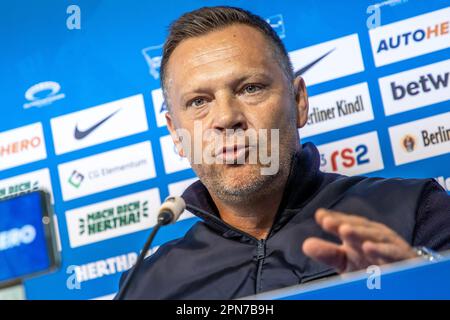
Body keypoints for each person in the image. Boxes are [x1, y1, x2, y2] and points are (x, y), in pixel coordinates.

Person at [116, 6, 450, 299]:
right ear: (176, 133)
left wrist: (423, 282)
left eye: (250, 88)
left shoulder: (415, 210)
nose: (226, 118)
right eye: (199, 102)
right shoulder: (146, 287)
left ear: (299, 102)